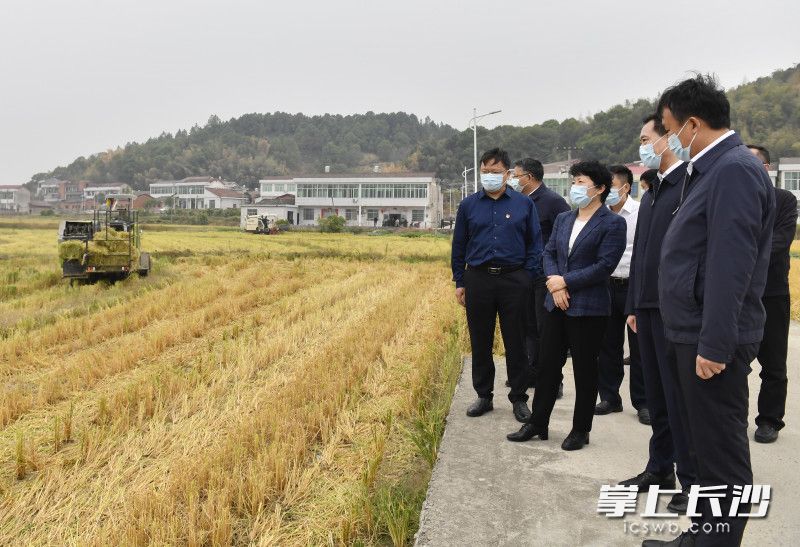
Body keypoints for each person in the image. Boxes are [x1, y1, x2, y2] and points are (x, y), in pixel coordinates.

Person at [643, 75, 775, 547]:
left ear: (693, 124)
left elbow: (729, 265)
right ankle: (701, 537)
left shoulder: (733, 170)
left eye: (668, 127)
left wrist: (716, 343)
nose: (666, 137)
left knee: (720, 454)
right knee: (698, 446)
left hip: (711, 339)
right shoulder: (711, 171)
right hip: (690, 331)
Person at [507, 160, 626, 450]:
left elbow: (604, 265)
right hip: (555, 303)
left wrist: (565, 282)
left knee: (585, 370)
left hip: (588, 307)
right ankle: (538, 422)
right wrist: (554, 282)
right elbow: (548, 253)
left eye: (581, 182)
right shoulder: (564, 219)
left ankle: (580, 430)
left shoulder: (613, 223)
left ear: (599, 189)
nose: (575, 187)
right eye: (574, 182)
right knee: (547, 366)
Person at [618, 114, 696, 516]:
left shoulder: (689, 186)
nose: (643, 146)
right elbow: (641, 257)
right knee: (658, 397)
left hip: (673, 312)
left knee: (680, 400)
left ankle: (693, 480)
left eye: (647, 138)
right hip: (645, 310)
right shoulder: (653, 192)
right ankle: (660, 467)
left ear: (670, 138)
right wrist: (632, 305)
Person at [451, 147, 544, 423]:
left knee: (515, 340)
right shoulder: (469, 205)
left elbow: (535, 244)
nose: (489, 176)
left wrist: (528, 276)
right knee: (480, 339)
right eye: (485, 172)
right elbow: (459, 245)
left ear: (507, 174)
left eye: (495, 172)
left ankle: (519, 398)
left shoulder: (524, 204)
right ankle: (484, 395)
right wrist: (460, 280)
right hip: (478, 278)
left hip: (514, 278)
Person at [747, 144, 797, 444]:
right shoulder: (735, 198)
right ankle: (732, 417)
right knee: (733, 360)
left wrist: (738, 250)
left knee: (774, 362)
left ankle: (769, 420)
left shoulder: (784, 200)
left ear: (765, 168)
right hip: (738, 293)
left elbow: (778, 242)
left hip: (772, 292)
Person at [511, 158, 570, 395]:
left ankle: (554, 380)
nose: (514, 180)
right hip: (522, 275)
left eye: (517, 176)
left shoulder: (553, 202)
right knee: (526, 328)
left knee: (546, 330)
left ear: (531, 177)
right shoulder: (517, 202)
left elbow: (564, 239)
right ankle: (531, 374)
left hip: (545, 276)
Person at [595, 164, 647, 424]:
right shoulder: (599, 214)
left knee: (639, 348)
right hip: (605, 285)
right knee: (608, 345)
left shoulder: (641, 212)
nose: (608, 192)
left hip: (633, 286)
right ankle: (609, 397)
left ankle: (643, 402)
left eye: (612, 186)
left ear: (626, 187)